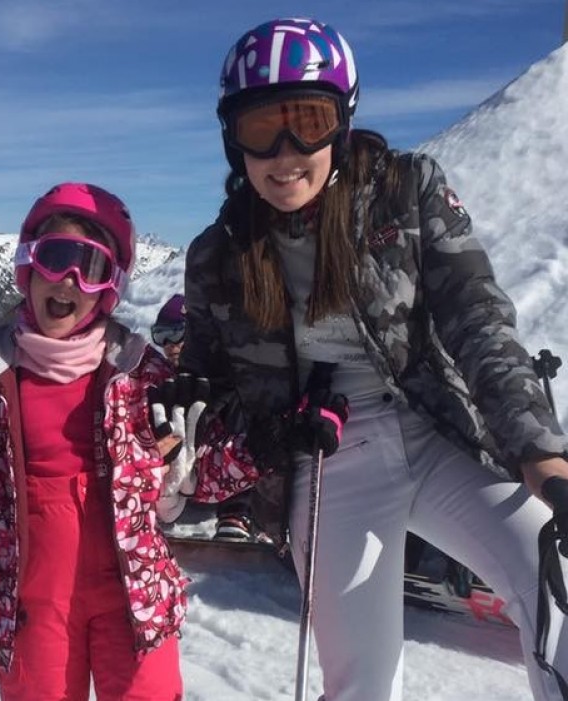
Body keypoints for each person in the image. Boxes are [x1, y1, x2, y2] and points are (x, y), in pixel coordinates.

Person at [180, 17, 568, 700]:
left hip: (438, 431)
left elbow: (475, 314)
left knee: (553, 575)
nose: (285, 150)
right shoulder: (219, 257)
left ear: (343, 122)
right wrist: (229, 439)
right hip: (329, 466)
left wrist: (539, 447)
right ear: (230, 139)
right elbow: (212, 387)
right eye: (259, 128)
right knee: (361, 678)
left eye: (308, 120)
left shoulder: (404, 192)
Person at [0, 182, 254, 700]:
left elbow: (198, 472)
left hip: (132, 594)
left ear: (109, 287)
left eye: (92, 268)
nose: (69, 281)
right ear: (29, 267)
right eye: (55, 258)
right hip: (29, 600)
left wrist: (263, 439)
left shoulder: (137, 371)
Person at [153, 293, 261, 543]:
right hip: (184, 480)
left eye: (176, 334)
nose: (169, 345)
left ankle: (236, 511)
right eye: (161, 335)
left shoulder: (228, 372)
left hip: (224, 469)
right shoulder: (162, 376)